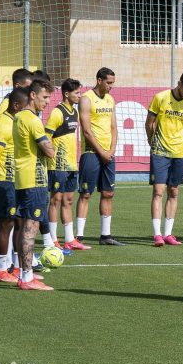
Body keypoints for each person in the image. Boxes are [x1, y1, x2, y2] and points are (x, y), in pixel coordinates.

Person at [13, 80, 57, 291]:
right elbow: (49, 151)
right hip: (34, 180)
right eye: (45, 97)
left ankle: (25, 273)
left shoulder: (19, 116)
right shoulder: (32, 120)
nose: (47, 102)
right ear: (32, 95)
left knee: (24, 227)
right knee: (31, 228)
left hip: (24, 178)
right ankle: (26, 278)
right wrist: (51, 145)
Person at [146, 71, 183, 247]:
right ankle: (157, 234)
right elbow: (149, 123)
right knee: (158, 191)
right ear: (179, 83)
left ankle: (168, 233)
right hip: (160, 151)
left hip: (179, 152)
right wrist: (151, 141)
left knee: (174, 191)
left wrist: (175, 139)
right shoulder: (160, 98)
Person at [0, 88, 26, 283]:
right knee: (6, 222)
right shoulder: (5, 124)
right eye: (25, 107)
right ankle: (1, 271)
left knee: (17, 221)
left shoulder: (13, 121)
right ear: (16, 106)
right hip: (4, 179)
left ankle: (15, 268)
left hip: (14, 180)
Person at [76, 67, 122, 246]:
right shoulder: (86, 99)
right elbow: (86, 131)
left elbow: (113, 127)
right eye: (109, 82)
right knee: (86, 194)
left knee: (108, 193)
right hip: (91, 153)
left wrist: (110, 151)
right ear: (99, 80)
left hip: (108, 154)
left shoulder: (110, 99)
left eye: (113, 83)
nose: (111, 86)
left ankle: (105, 235)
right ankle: (78, 237)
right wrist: (102, 152)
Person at [45, 79, 82, 253]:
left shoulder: (74, 112)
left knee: (68, 200)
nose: (79, 95)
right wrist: (51, 157)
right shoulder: (57, 113)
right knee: (56, 200)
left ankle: (69, 239)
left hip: (71, 164)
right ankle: (53, 239)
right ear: (67, 94)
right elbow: (46, 137)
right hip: (58, 164)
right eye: (76, 93)